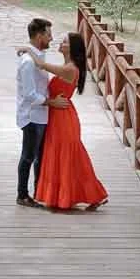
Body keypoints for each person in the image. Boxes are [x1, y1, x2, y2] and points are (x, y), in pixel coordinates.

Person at [25, 33, 108, 212]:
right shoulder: (67, 66)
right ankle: (68, 196)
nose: (60, 43)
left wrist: (27, 49)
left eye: (64, 41)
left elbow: (40, 65)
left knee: (67, 155)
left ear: (72, 48)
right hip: (58, 114)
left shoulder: (70, 69)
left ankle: (87, 195)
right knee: (63, 155)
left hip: (63, 117)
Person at [15, 17, 63, 207]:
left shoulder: (38, 57)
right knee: (28, 156)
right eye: (48, 34)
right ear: (39, 35)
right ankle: (22, 195)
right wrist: (51, 102)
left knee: (39, 157)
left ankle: (39, 192)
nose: (51, 39)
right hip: (32, 116)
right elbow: (29, 94)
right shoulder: (28, 62)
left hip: (41, 115)